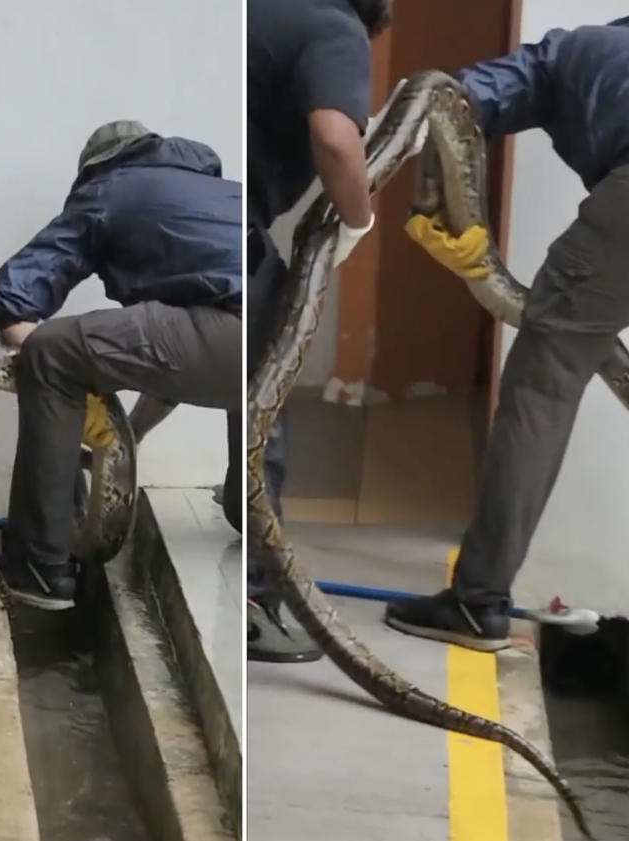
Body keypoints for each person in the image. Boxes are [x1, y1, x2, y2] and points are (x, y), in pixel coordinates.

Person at [382, 13, 629, 651]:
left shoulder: (566, 52)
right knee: (576, 345)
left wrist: (439, 207)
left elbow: (448, 101)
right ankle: (481, 594)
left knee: (542, 385)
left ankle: (477, 601)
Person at [0, 120, 243, 610]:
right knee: (242, 349)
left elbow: (12, 295)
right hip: (276, 343)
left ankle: (38, 566)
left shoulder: (107, 189)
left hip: (228, 336)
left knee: (51, 350)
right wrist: (122, 437)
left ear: (93, 170)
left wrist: (53, 382)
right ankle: (249, 506)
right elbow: (177, 354)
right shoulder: (221, 194)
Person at [245, 0, 392, 662]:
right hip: (231, 224)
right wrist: (357, 218)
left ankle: (237, 518)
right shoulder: (336, 30)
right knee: (263, 414)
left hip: (198, 207)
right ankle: (253, 594)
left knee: (240, 363)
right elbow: (335, 138)